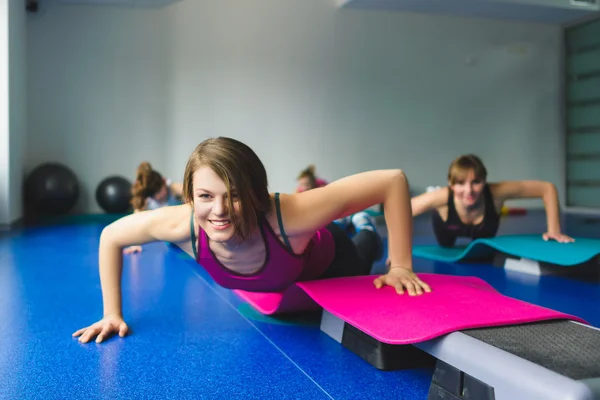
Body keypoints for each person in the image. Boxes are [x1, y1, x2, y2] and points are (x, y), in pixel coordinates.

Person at [73, 137, 431, 344]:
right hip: (290, 277)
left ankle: (363, 226)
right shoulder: (182, 225)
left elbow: (392, 180)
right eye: (206, 197)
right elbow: (110, 236)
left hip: (334, 259)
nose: (219, 211)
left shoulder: (290, 214)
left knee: (364, 249)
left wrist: (400, 264)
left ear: (256, 194)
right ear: (190, 196)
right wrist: (112, 314)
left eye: (234, 195)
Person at [410, 154, 573, 249]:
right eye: (460, 183)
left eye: (476, 182)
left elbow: (547, 188)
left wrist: (554, 230)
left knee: (482, 248)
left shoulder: (496, 192)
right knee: (446, 246)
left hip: (483, 231)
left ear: (485, 180)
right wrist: (398, 256)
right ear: (451, 184)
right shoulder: (441, 197)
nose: (469, 191)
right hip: (447, 229)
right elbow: (400, 210)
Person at [124, 162, 184, 254]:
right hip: (164, 229)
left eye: (160, 191)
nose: (158, 196)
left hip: (180, 225)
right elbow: (135, 222)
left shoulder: (175, 188)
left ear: (164, 181)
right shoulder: (145, 200)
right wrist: (134, 244)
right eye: (154, 195)